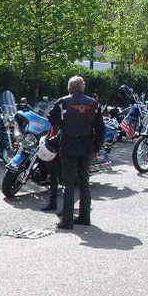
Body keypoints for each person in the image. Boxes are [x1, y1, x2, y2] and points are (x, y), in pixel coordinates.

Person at [49, 76, 105, 230]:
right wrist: (97, 147)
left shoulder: (63, 102)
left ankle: (67, 221)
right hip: (87, 145)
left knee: (68, 183)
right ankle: (85, 217)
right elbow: (100, 127)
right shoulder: (94, 103)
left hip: (69, 144)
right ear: (82, 87)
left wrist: (64, 125)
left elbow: (52, 118)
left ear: (69, 87)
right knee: (84, 181)